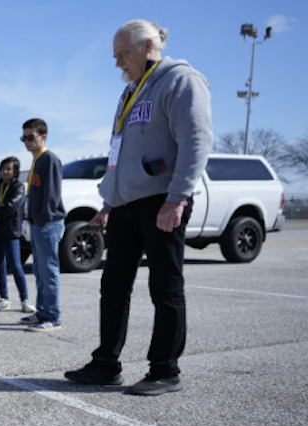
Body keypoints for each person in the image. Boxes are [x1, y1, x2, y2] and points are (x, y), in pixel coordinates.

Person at [65, 19, 212, 396]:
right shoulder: (131, 91)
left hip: (161, 200)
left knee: (165, 286)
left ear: (148, 46)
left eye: (123, 55)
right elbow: (120, 153)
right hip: (126, 205)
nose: (118, 64)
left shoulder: (181, 81)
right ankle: (105, 364)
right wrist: (109, 203)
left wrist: (177, 198)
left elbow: (196, 141)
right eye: (115, 57)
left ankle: (165, 369)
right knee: (113, 285)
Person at [19, 118, 65, 332]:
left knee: (49, 270)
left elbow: (52, 195)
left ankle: (53, 315)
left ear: (43, 137)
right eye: (24, 138)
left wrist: (43, 219)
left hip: (48, 223)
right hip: (37, 223)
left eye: (31, 137)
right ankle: (43, 311)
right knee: (39, 270)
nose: (27, 142)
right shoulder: (37, 160)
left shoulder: (50, 159)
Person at [0, 157, 35, 313]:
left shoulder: (19, 188)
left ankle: (25, 299)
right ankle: (4, 298)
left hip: (11, 233)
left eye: (8, 169)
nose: (5, 172)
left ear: (15, 171)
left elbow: (10, 208)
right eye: (3, 169)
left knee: (16, 266)